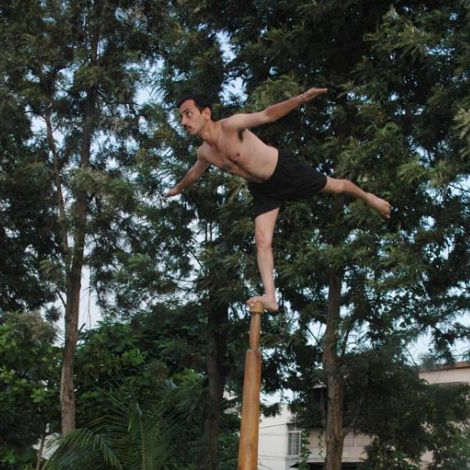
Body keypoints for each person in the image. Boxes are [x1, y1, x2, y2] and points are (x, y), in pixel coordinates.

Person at [165, 88, 391, 311]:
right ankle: (270, 297)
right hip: (263, 189)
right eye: (181, 117)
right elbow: (194, 173)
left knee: (337, 186)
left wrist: (300, 99)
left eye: (188, 113)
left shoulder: (232, 126)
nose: (184, 121)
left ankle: (369, 197)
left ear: (206, 113)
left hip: (283, 170)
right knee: (262, 239)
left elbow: (267, 115)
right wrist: (177, 188)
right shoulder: (204, 153)